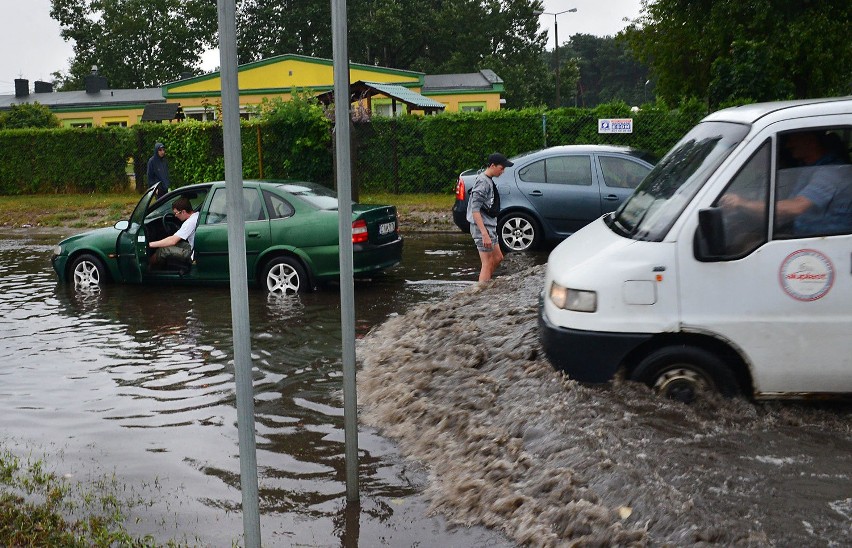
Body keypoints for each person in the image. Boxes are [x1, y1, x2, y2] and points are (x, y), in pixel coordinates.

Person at [720, 131, 851, 237]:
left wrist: (742, 203)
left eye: (792, 138)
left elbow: (796, 207)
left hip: (823, 243)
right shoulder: (808, 168)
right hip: (803, 236)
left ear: (809, 140)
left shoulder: (831, 171)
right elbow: (784, 212)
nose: (787, 145)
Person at [467, 152, 512, 283]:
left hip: (490, 226)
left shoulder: (488, 180)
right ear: (493, 165)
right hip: (483, 228)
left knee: (498, 257)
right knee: (486, 263)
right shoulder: (482, 182)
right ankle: (481, 292)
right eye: (501, 168)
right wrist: (484, 233)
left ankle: (485, 284)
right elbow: (475, 210)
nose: (502, 171)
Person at [148, 197, 198, 269]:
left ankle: (148, 267)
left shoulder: (189, 223)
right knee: (179, 244)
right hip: (194, 248)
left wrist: (150, 244)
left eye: (176, 213)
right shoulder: (196, 215)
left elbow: (172, 241)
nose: (175, 216)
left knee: (163, 250)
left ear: (183, 212)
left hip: (193, 255)